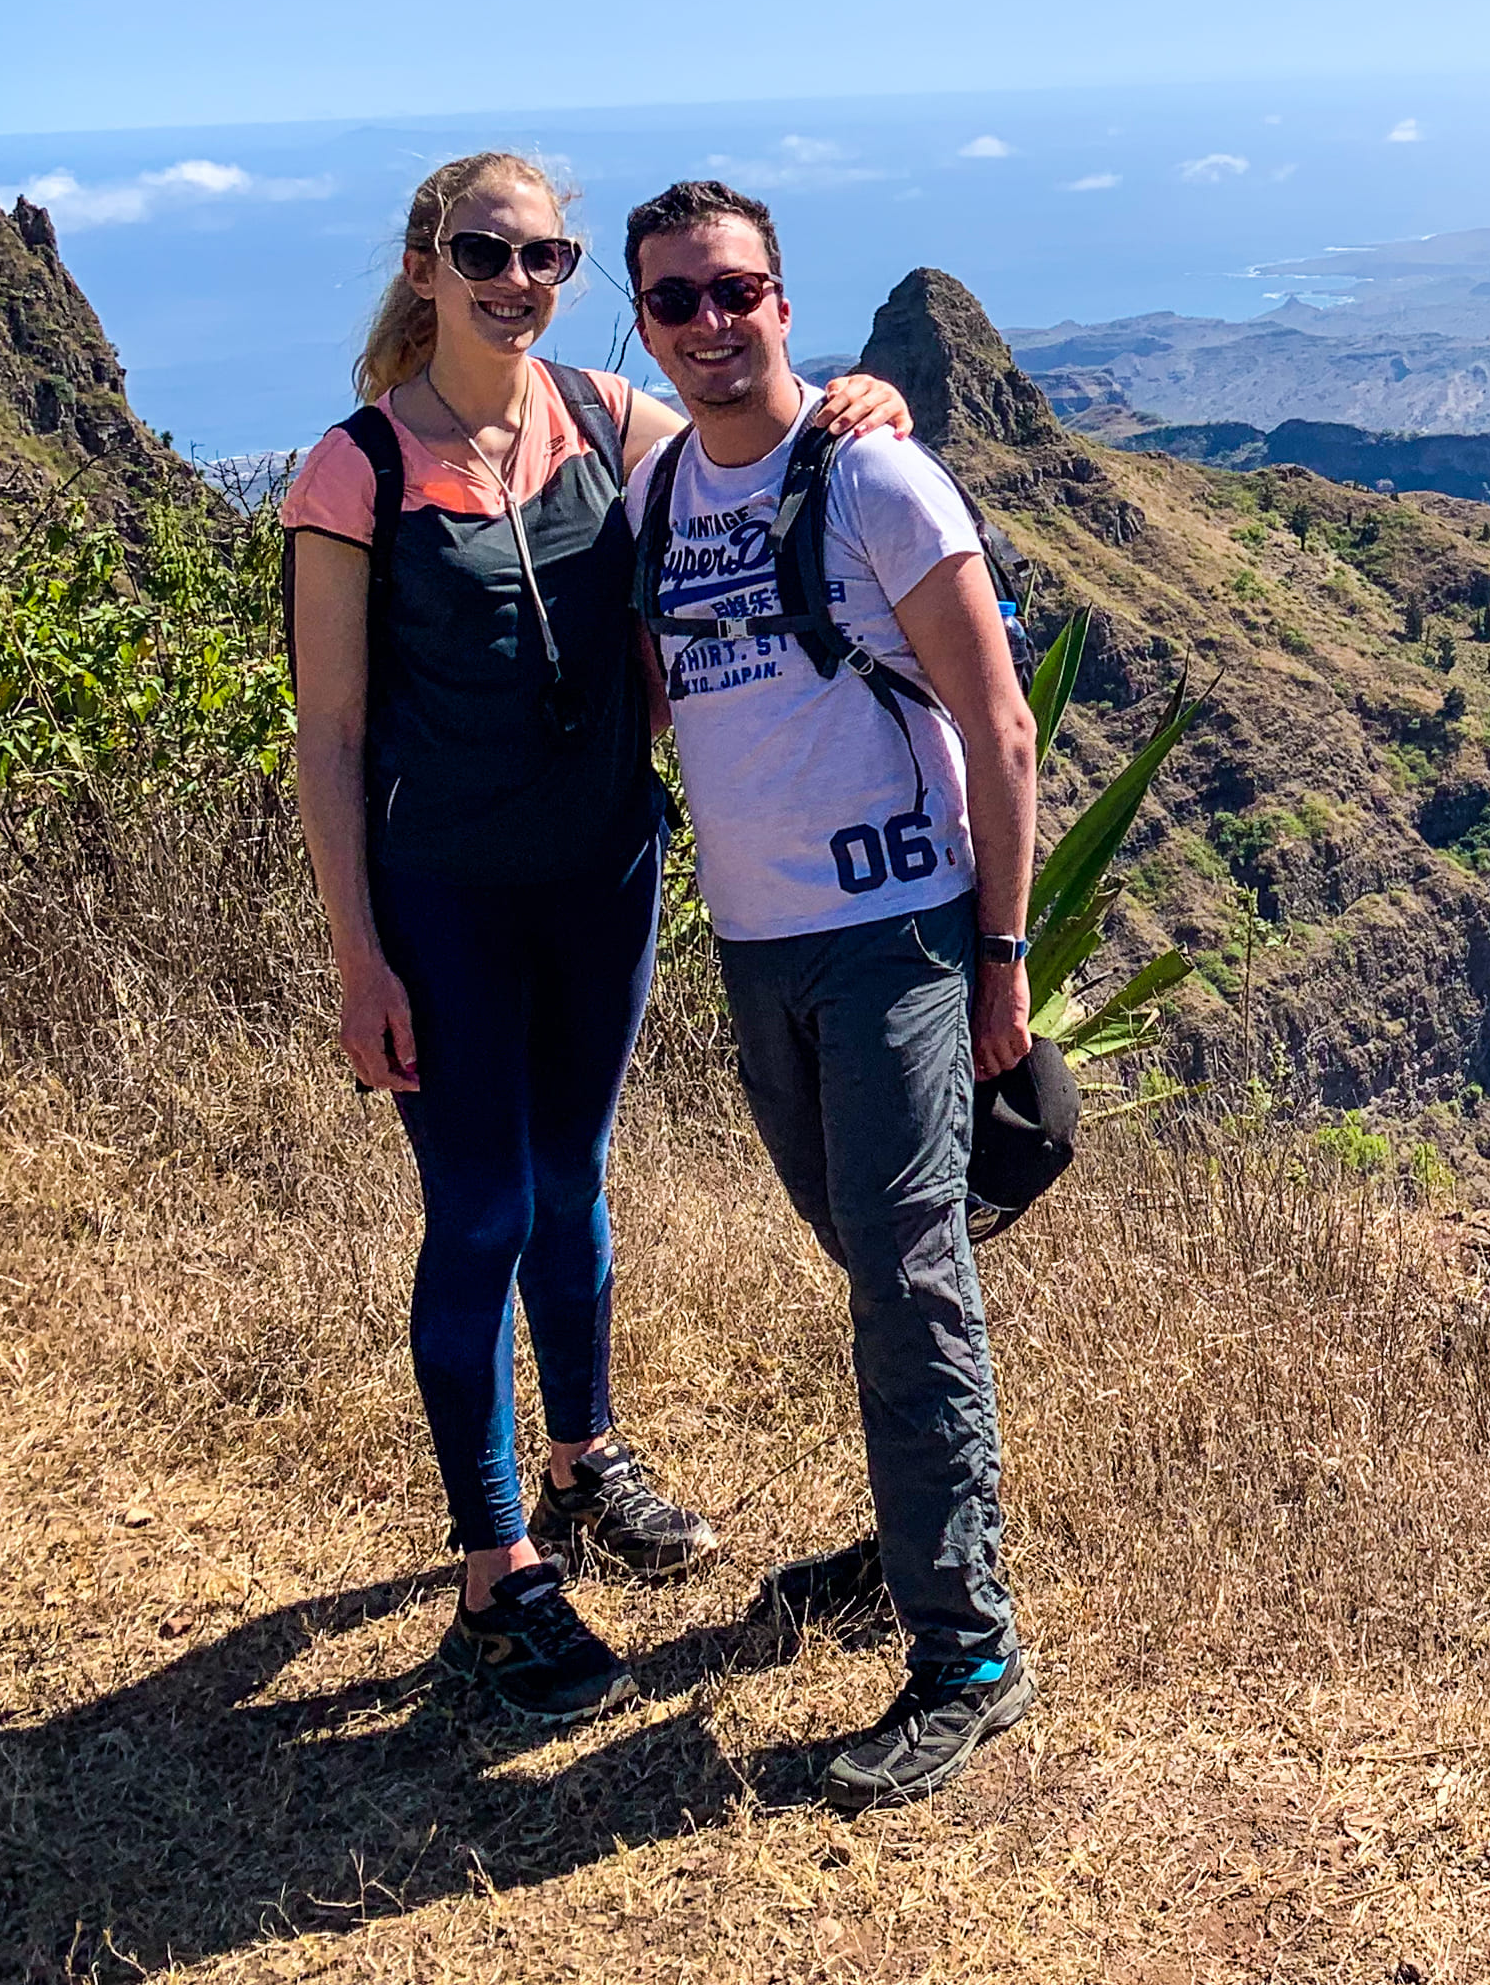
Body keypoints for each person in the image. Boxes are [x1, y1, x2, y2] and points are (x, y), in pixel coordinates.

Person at [284, 151, 911, 1722]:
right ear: (424, 266)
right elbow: (331, 733)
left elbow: (750, 452)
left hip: (603, 877)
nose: (515, 281)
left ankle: (582, 1460)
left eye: (544, 256)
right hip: (446, 895)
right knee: (481, 1211)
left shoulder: (608, 422)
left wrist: (863, 404)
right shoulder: (354, 474)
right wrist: (360, 957)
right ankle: (496, 1571)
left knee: (572, 1180)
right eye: (482, 252)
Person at [618, 175, 1047, 1813]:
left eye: (736, 292)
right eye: (676, 300)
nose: (710, 323)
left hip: (899, 940)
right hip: (760, 945)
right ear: (644, 325)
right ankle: (920, 1541)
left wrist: (999, 953)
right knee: (868, 1260)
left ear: (782, 302)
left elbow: (1000, 726)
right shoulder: (659, 495)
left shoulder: (875, 474)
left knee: (910, 1276)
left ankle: (967, 1653)